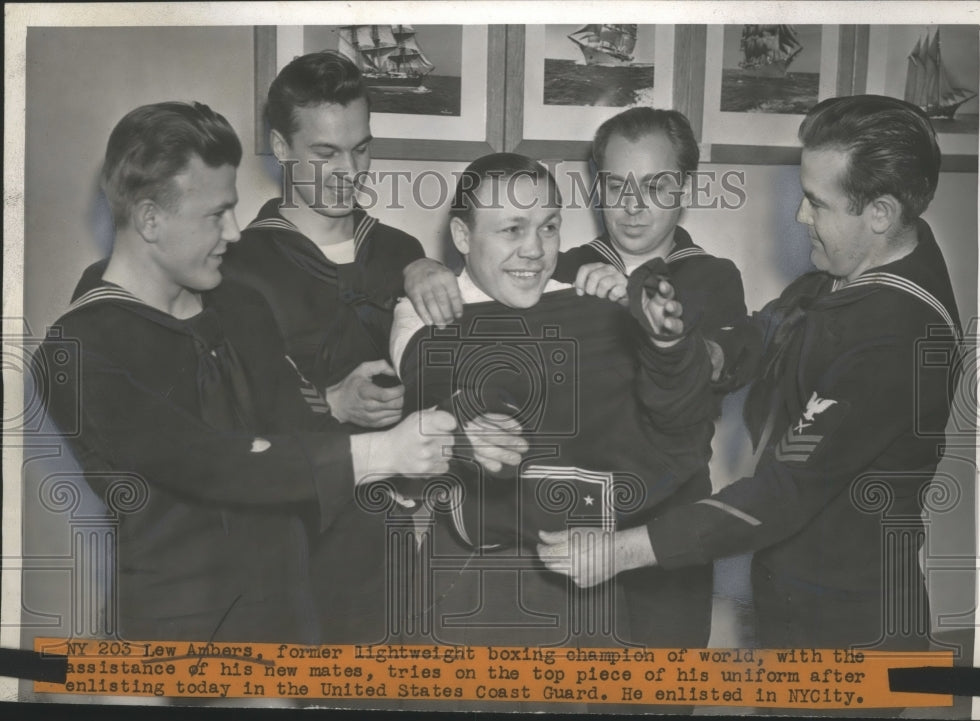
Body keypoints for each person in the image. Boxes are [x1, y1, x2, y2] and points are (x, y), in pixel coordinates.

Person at [539, 95, 962, 652]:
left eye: (816, 202)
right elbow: (762, 336)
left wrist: (621, 551)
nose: (799, 216)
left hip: (852, 620)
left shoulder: (896, 335)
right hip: (794, 590)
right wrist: (690, 348)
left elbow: (782, 491)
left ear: (880, 213)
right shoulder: (843, 274)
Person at [40, 101, 455, 643]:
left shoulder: (240, 305)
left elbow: (301, 434)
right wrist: (381, 453)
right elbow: (210, 464)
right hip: (173, 643)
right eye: (216, 215)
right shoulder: (78, 347)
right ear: (149, 218)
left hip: (291, 622)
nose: (235, 232)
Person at [402, 108, 756, 648]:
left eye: (656, 186)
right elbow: (470, 308)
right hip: (568, 522)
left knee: (663, 684)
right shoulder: (559, 266)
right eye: (616, 186)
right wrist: (418, 268)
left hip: (665, 520)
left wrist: (663, 331)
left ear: (687, 187)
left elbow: (718, 364)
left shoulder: (711, 276)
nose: (633, 206)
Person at [220, 52, 428, 642]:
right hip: (284, 535)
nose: (349, 172)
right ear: (281, 148)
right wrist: (330, 402)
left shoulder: (401, 250)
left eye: (361, 149)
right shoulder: (236, 262)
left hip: (388, 536)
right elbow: (222, 414)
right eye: (325, 154)